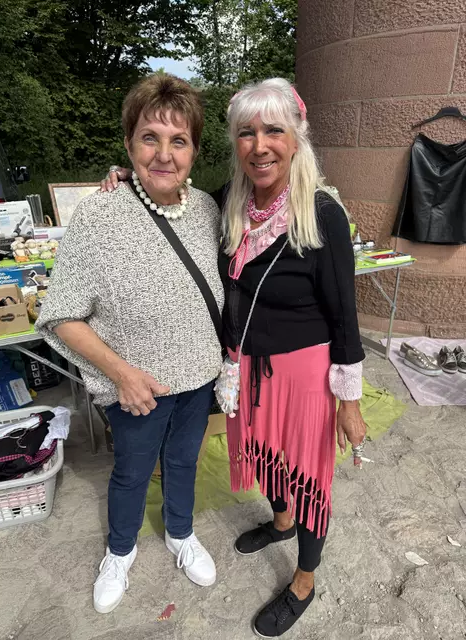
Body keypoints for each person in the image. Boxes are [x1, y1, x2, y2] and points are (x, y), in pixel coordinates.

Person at [102, 77, 367, 638]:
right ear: (235, 143)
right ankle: (281, 521)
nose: (260, 145)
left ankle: (304, 580)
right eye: (247, 133)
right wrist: (130, 179)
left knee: (308, 477)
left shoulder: (321, 212)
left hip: (304, 373)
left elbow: (345, 315)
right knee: (265, 456)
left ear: (296, 138)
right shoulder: (229, 202)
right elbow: (171, 192)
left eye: (274, 130)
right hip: (244, 368)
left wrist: (349, 401)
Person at [36, 73, 224, 615]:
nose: (164, 154)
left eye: (178, 140)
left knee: (183, 462)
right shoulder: (99, 215)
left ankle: (180, 534)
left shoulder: (207, 209)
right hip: (137, 388)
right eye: (149, 138)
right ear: (128, 143)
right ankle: (119, 551)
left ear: (193, 150)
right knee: (132, 472)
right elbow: (62, 315)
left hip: (199, 376)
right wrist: (122, 374)